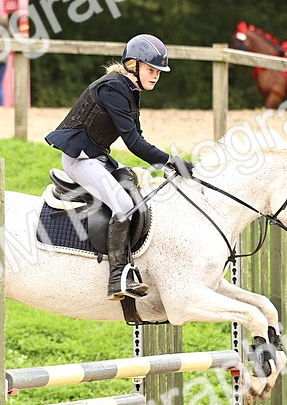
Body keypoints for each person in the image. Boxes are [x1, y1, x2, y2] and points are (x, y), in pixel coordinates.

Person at [44, 34, 194, 301]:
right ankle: (117, 277)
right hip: (80, 159)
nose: (156, 76)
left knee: (137, 180)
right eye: (151, 69)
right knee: (123, 204)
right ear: (133, 65)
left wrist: (166, 165)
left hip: (98, 157)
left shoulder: (130, 91)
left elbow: (139, 137)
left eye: (158, 72)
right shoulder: (113, 89)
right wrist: (171, 161)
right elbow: (133, 143)